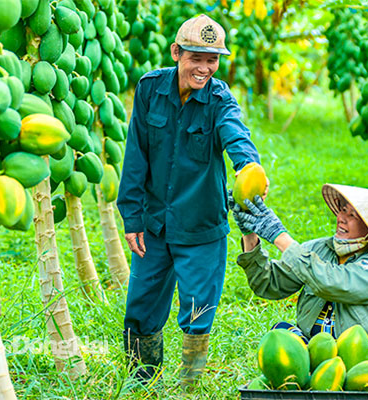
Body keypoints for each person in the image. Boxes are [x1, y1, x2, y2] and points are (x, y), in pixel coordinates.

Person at [116, 14, 263, 387]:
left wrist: (248, 167)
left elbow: (235, 133)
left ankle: (189, 386)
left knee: (197, 310)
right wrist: (132, 217)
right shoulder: (150, 90)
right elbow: (136, 157)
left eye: (212, 60)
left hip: (200, 227)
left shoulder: (219, 99)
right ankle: (141, 381)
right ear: (176, 52)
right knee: (142, 305)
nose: (204, 68)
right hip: (155, 226)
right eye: (196, 57)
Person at [231, 184, 368, 376]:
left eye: (352, 215)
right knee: (281, 333)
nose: (342, 218)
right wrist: (249, 234)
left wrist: (279, 236)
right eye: (343, 210)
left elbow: (332, 282)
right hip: (319, 356)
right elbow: (269, 284)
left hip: (363, 359)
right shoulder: (318, 249)